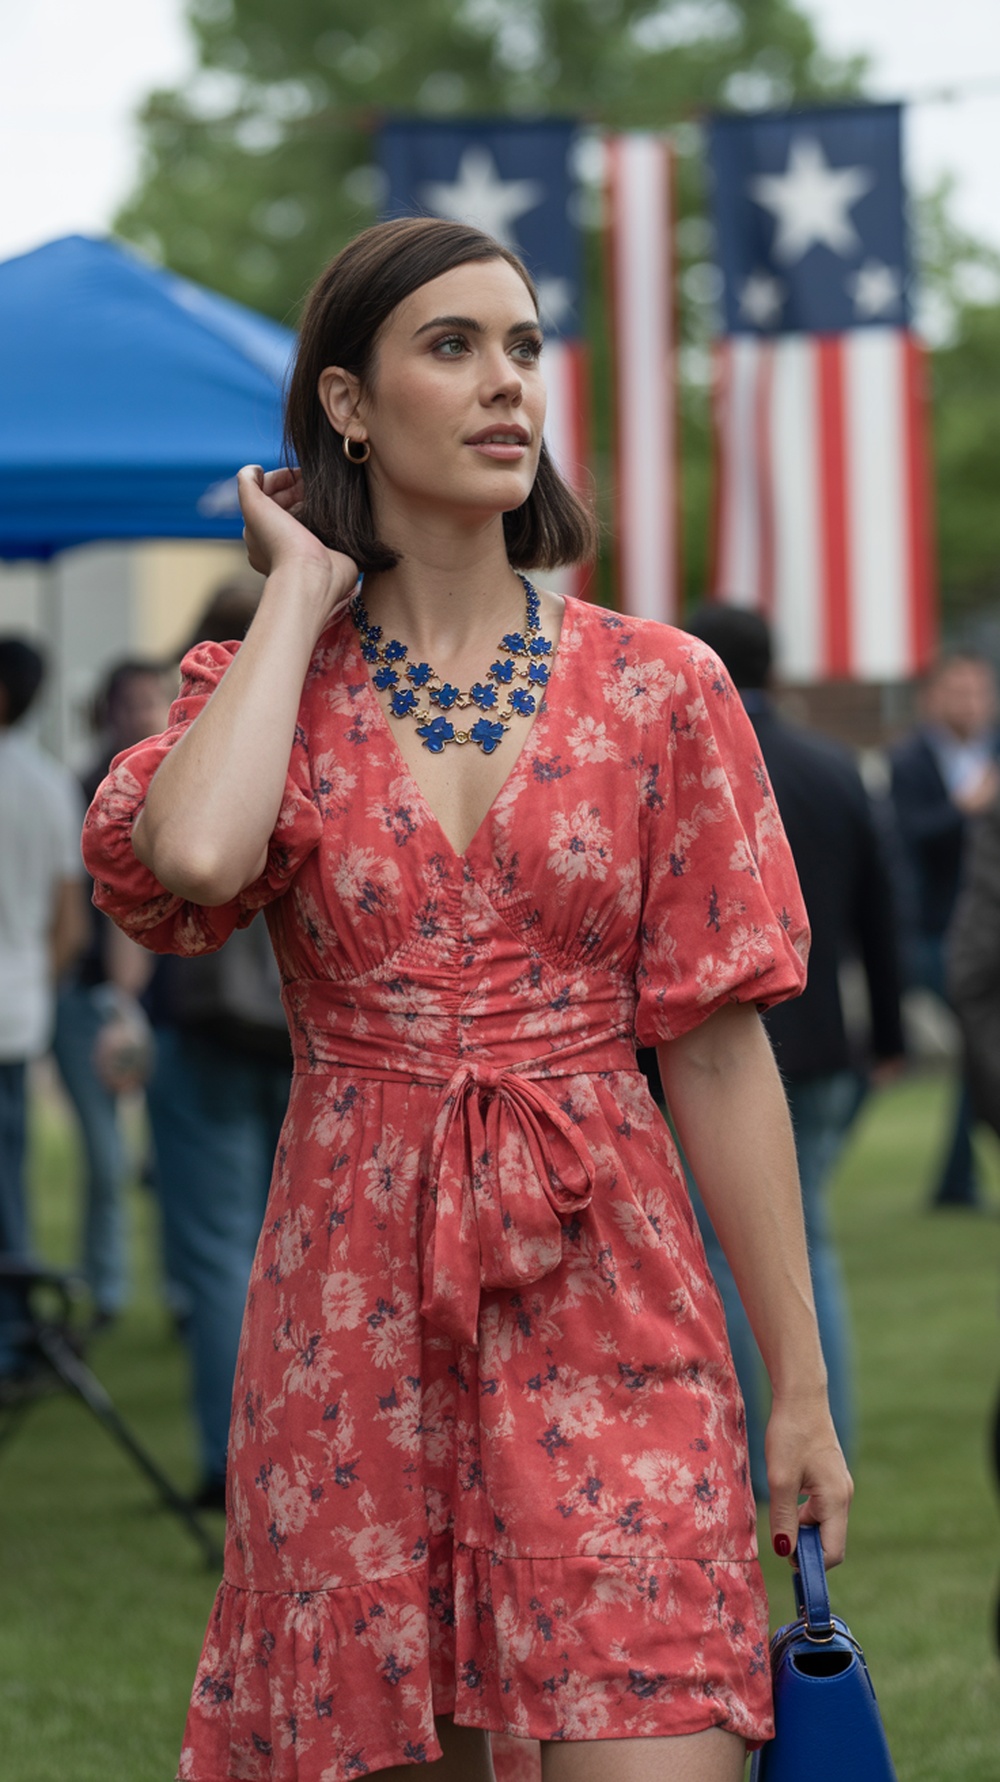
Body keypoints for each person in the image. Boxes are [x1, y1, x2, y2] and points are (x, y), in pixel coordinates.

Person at [83, 218, 851, 1782]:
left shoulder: (662, 686)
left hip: (610, 1288)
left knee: (661, 1732)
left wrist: (803, 1391)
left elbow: (715, 1048)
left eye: (523, 348)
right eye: (454, 348)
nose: (507, 385)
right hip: (349, 1322)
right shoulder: (276, 689)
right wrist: (297, 596)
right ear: (348, 405)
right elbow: (195, 855)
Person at [680, 604, 905, 1490]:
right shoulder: (836, 766)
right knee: (805, 1240)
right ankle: (824, 1428)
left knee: (733, 1246)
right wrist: (885, 1034)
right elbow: (881, 915)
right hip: (821, 1041)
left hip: (720, 1047)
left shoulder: (688, 755)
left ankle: (762, 1438)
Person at [143, 578, 293, 1511]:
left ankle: (232, 1469)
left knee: (217, 1253)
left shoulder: (189, 742)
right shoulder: (344, 721)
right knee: (306, 1263)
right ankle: (299, 1466)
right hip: (323, 1038)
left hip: (206, 1030)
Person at [52, 658, 169, 1326]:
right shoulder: (81, 786)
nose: (140, 714)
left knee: (159, 1157)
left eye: (151, 702)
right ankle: (109, 1290)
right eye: (128, 703)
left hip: (154, 998)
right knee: (104, 1156)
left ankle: (173, 1290)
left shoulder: (177, 773)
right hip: (94, 992)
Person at [0, 637, 87, 1375]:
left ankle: (13, 1338)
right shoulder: (48, 780)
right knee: (11, 1178)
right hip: (20, 1008)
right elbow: (69, 923)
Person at [890, 653, 1000, 1208]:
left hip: (987, 929)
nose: (973, 704)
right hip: (934, 934)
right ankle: (958, 1182)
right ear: (932, 698)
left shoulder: (993, 752)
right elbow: (908, 837)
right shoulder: (909, 761)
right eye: (960, 692)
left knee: (977, 1052)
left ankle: (956, 1183)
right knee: (979, 1045)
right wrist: (967, 809)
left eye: (980, 691)